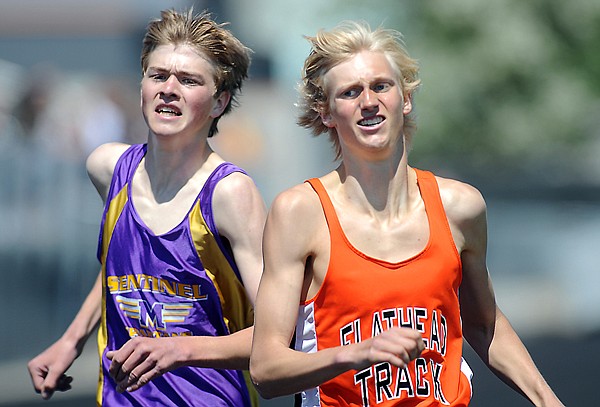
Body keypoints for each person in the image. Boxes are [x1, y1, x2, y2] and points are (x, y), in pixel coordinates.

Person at [249, 21, 564, 407]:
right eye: (350, 92)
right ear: (326, 112)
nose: (368, 101)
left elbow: (484, 325)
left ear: (406, 98)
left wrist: (547, 399)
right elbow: (265, 368)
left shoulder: (460, 208)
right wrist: (353, 354)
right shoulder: (299, 212)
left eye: (381, 86)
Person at [27, 8, 266, 406]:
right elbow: (126, 272)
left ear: (219, 102)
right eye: (158, 76)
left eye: (188, 81)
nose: (169, 89)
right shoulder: (107, 168)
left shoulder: (229, 193)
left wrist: (180, 350)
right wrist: (72, 340)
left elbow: (279, 335)